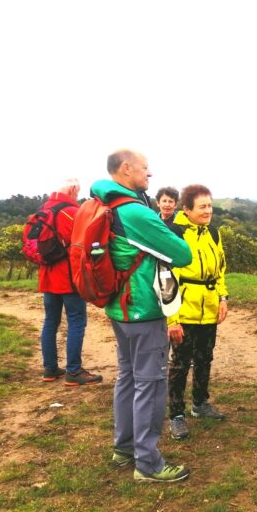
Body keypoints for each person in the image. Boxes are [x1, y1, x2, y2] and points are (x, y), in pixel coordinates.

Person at [91, 149, 193, 483]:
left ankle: (125, 448)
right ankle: (148, 464)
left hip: (119, 307)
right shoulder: (134, 212)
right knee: (149, 383)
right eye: (145, 169)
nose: (150, 175)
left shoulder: (100, 203)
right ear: (126, 169)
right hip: (143, 308)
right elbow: (182, 254)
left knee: (128, 377)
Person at [166, 184, 229, 440]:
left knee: (205, 358)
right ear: (187, 209)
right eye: (202, 206)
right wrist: (172, 319)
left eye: (210, 206)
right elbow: (167, 277)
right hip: (184, 310)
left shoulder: (212, 233)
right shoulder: (174, 233)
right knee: (180, 364)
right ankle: (176, 415)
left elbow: (221, 268)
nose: (208, 211)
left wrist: (223, 297)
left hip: (210, 307)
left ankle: (200, 403)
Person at [39, 179, 103, 386]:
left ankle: (50, 369)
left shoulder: (44, 210)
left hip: (47, 276)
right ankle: (74, 371)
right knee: (76, 320)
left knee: (51, 321)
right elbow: (81, 243)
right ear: (74, 189)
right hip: (68, 277)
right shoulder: (71, 212)